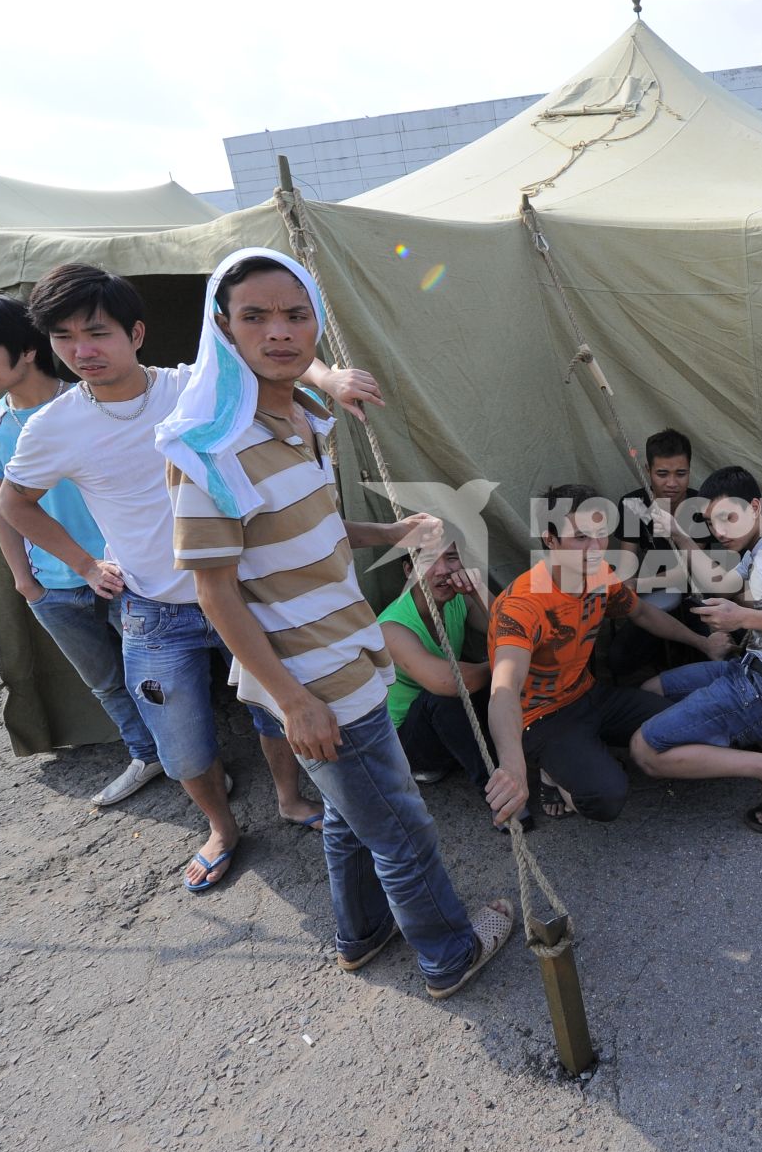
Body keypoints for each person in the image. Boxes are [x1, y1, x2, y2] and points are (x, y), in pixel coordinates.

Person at [169, 247, 512, 991]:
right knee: (402, 827)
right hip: (311, 674)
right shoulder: (210, 450)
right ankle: (450, 952)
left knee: (348, 815)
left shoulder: (304, 418)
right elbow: (215, 592)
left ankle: (361, 934)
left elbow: (315, 525)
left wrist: (387, 536)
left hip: (348, 646)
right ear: (223, 330)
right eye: (254, 316)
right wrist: (292, 699)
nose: (279, 332)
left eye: (296, 315)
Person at [0, 260, 381, 889]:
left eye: (98, 332)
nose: (83, 351)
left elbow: (275, 357)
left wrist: (331, 378)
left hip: (243, 588)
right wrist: (86, 564)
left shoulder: (195, 387)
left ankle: (289, 799)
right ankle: (222, 830)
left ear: (137, 333)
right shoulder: (52, 426)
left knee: (276, 712)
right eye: (64, 339)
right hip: (155, 607)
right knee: (179, 741)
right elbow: (13, 504)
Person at [0, 293, 161, 806]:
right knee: (106, 684)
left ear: (26, 349)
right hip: (54, 586)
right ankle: (146, 756)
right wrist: (25, 581)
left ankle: (191, 763)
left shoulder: (91, 403)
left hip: (128, 576)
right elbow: (2, 508)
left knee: (160, 681)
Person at [483, 484, 728, 826]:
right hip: (541, 718)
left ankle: (584, 755)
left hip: (590, 694)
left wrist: (703, 644)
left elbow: (642, 613)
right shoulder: (522, 605)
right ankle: (551, 775)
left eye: (601, 535)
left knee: (688, 725)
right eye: (581, 537)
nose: (595, 548)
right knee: (605, 798)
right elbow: (504, 689)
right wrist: (512, 766)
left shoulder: (598, 573)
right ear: (550, 540)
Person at [629, 465, 762, 834]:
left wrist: (742, 618)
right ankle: (753, 738)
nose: (719, 531)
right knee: (651, 692)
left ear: (755, 507)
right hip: (753, 672)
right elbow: (720, 582)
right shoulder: (761, 547)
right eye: (711, 522)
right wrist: (678, 533)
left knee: (644, 749)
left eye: (728, 517)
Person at [380, 537, 490, 786]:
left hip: (451, 723)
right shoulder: (392, 626)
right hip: (406, 744)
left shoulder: (461, 599)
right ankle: (496, 793)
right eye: (428, 559)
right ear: (409, 571)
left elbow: (513, 631)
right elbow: (448, 682)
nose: (443, 570)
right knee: (443, 697)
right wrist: (504, 664)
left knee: (515, 668)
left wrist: (478, 589)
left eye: (451, 558)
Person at [608, 428, 710, 675]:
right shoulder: (633, 505)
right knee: (617, 659)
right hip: (653, 600)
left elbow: (689, 571)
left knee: (707, 658)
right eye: (662, 474)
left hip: (696, 596)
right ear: (647, 470)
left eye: (681, 474)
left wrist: (639, 582)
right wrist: (628, 584)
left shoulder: (700, 506)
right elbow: (627, 563)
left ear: (690, 470)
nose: (672, 483)